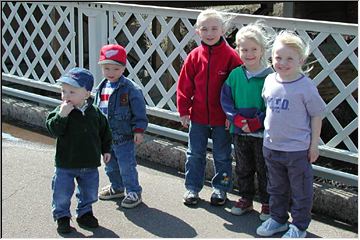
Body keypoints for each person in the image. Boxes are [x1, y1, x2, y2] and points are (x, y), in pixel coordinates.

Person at [256, 30, 326, 238]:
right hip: (271, 146)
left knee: (300, 190)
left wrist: (314, 145)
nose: (283, 63)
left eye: (289, 59)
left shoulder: (306, 86)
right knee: (276, 187)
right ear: (271, 57)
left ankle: (299, 225)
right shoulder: (269, 80)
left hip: (297, 150)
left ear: (301, 60)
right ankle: (278, 219)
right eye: (278, 57)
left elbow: (317, 115)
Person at [177, 9, 243, 206]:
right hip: (197, 117)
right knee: (194, 154)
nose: (210, 33)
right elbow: (184, 85)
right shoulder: (194, 56)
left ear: (223, 30)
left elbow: (237, 89)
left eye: (214, 28)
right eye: (204, 29)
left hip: (222, 119)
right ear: (198, 31)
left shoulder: (232, 57)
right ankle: (192, 188)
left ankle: (221, 189)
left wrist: (231, 116)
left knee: (222, 156)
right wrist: (183, 109)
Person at [46, 67, 112, 234]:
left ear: (87, 94)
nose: (66, 96)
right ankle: (62, 216)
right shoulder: (61, 111)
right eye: (63, 91)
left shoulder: (95, 113)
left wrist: (106, 150)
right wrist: (62, 116)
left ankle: (85, 212)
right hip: (65, 163)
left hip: (89, 163)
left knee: (89, 191)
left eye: (72, 92)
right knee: (61, 192)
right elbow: (53, 129)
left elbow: (105, 132)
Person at [220, 21, 274, 220]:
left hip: (262, 133)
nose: (249, 54)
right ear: (238, 50)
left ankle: (267, 202)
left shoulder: (271, 77)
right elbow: (225, 99)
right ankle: (245, 198)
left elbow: (272, 105)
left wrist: (258, 121)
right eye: (244, 50)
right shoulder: (235, 75)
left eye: (254, 49)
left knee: (264, 168)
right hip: (239, 131)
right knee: (243, 167)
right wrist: (235, 118)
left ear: (262, 50)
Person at [95, 44, 148, 209]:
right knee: (110, 165)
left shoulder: (130, 89)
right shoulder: (101, 86)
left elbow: (139, 111)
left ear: (123, 68)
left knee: (127, 166)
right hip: (106, 137)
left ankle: (133, 191)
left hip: (124, 137)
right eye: (107, 68)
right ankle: (116, 187)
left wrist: (138, 130)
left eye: (116, 69)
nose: (111, 73)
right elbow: (98, 110)